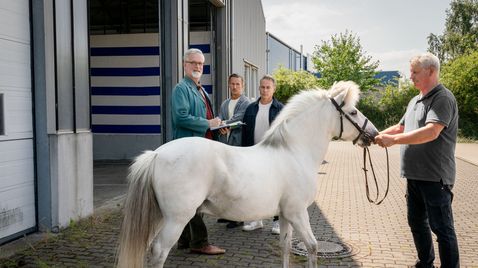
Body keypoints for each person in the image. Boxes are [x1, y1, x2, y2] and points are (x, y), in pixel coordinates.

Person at [375, 52, 459, 268]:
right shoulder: (415, 100)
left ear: (431, 71)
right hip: (414, 176)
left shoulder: (442, 98)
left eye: (414, 72)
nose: (410, 76)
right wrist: (373, 137)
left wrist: (393, 140)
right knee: (417, 224)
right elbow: (401, 127)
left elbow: (431, 131)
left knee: (442, 229)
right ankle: (425, 263)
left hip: (435, 178)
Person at [171, 48, 225, 255]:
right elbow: (181, 118)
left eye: (200, 64)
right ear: (185, 65)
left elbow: (208, 118)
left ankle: (185, 240)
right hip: (188, 152)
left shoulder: (201, 89)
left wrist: (219, 126)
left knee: (191, 196)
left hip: (202, 149)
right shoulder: (181, 89)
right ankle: (200, 242)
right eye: (193, 63)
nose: (197, 67)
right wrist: (208, 123)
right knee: (194, 198)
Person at [241, 75, 284, 234]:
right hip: (253, 154)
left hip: (273, 156)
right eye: (262, 87)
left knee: (275, 189)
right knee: (254, 188)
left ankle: (277, 221)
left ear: (274, 89)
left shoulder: (281, 109)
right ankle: (256, 220)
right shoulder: (251, 108)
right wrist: (244, 154)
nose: (265, 90)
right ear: (259, 88)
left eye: (268, 87)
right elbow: (245, 131)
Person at [216, 73, 251, 229]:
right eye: (232, 84)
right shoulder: (225, 103)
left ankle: (238, 217)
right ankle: (227, 214)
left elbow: (239, 119)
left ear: (242, 85)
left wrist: (224, 125)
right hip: (225, 144)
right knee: (226, 181)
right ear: (229, 85)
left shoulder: (246, 102)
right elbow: (220, 117)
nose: (235, 86)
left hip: (238, 145)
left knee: (237, 182)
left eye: (238, 84)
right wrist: (221, 126)